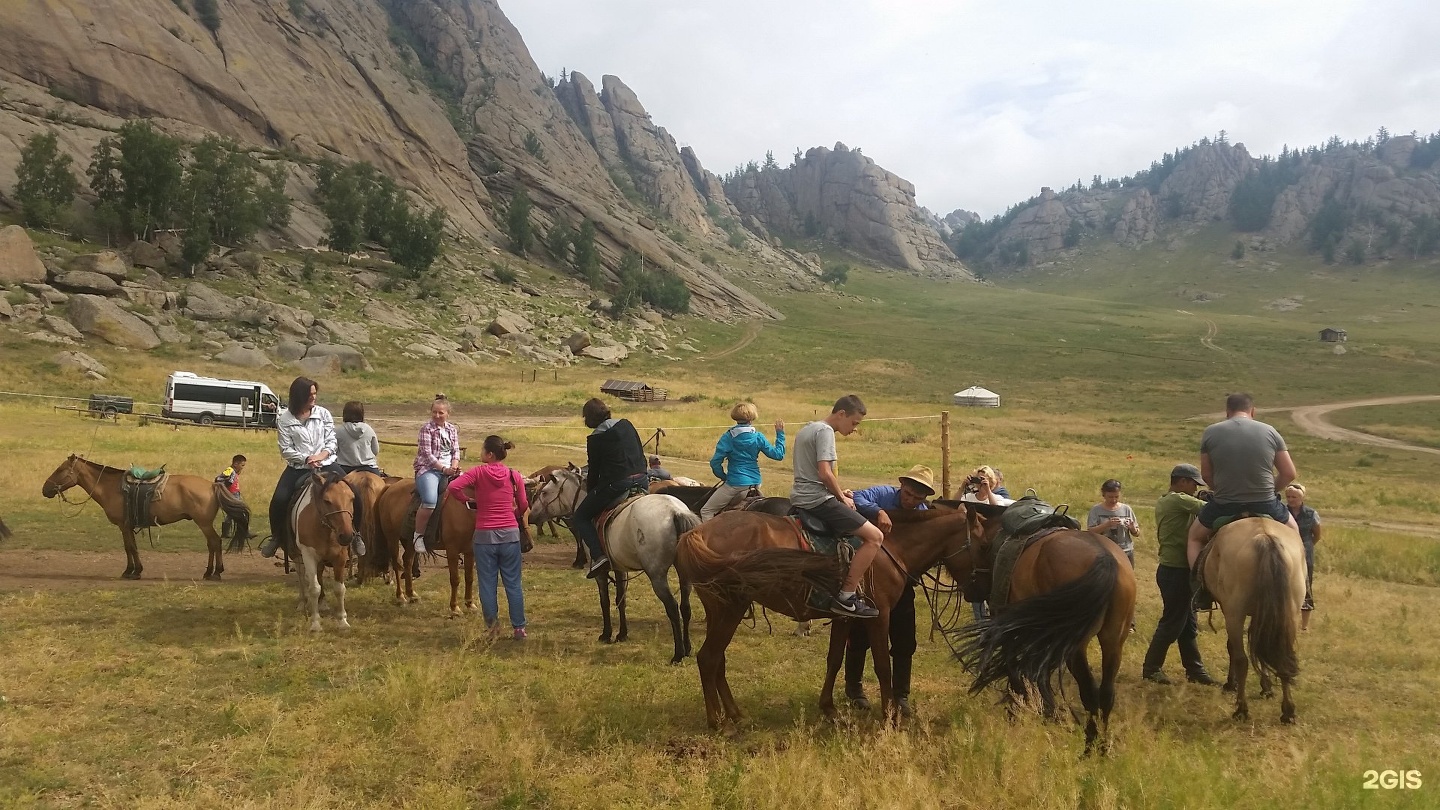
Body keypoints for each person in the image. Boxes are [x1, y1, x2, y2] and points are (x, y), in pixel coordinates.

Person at [844, 465, 935, 714]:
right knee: (860, 633)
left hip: (902, 583)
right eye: (908, 494)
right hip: (871, 579)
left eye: (918, 498)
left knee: (904, 638)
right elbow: (858, 497)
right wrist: (879, 511)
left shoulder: (922, 515)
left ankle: (901, 694)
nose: (911, 501)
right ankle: (854, 688)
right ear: (901, 486)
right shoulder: (884, 494)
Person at [791, 395, 883, 618]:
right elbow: (825, 474)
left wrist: (840, 492)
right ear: (841, 414)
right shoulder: (825, 432)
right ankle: (846, 596)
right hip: (817, 499)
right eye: (854, 423)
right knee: (875, 537)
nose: (854, 429)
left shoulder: (807, 428)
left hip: (801, 495)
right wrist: (842, 498)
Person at [1186, 392, 1299, 571]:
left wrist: (1221, 490)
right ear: (1252, 411)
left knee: (1193, 538)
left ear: (1227, 412)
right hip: (1265, 503)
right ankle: (1305, 592)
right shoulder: (1270, 431)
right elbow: (1289, 473)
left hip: (1225, 503)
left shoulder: (1211, 432)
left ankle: (1198, 586)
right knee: (1295, 534)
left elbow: (1207, 475)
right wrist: (1271, 491)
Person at [1140, 464, 1221, 686]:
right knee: (1173, 622)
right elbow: (1208, 509)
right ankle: (1151, 668)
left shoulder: (1169, 500)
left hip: (1178, 569)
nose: (1195, 488)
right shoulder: (1177, 500)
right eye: (1193, 484)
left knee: (1188, 624)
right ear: (1182, 481)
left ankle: (1194, 670)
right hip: (1175, 570)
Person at [447, 435, 529, 639]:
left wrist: (467, 500)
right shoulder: (513, 475)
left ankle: (492, 627)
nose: (480, 453)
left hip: (485, 536)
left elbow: (453, 487)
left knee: (487, 583)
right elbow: (524, 504)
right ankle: (519, 627)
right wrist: (514, 514)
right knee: (513, 583)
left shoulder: (477, 473)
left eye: (483, 450)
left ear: (490, 454)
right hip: (510, 535)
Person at [261, 377, 337, 558]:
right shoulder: (285, 419)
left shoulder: (323, 414)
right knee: (278, 501)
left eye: (315, 393)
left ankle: (356, 535)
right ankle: (277, 537)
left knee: (354, 492)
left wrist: (320, 456)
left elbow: (332, 441)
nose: (314, 397)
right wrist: (306, 459)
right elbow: (285, 449)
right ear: (299, 396)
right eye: (310, 394)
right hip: (298, 468)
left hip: (327, 464)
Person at [574, 398, 648, 578]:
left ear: (590, 418)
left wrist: (592, 491)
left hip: (617, 484)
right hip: (642, 479)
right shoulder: (627, 424)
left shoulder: (595, 438)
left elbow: (594, 470)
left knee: (580, 517)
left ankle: (599, 556)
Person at [700, 402, 785, 521]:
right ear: (751, 419)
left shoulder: (728, 437)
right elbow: (778, 455)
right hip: (756, 483)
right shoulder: (758, 436)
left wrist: (723, 476)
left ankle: (710, 539)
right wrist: (780, 434)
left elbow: (715, 462)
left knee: (706, 511)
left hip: (735, 484)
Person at [960, 465, 1012, 621]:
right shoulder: (969, 497)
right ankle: (979, 621)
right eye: (978, 477)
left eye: (984, 478)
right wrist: (963, 486)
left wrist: (988, 490)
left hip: (992, 544)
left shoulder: (998, 498)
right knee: (977, 581)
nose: (980, 482)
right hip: (975, 543)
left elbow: (997, 510)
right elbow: (954, 505)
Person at [413, 394, 461, 555]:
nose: (437, 415)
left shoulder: (452, 429)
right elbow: (427, 454)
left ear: (448, 414)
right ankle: (418, 535)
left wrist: (454, 465)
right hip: (429, 470)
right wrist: (444, 469)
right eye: (434, 412)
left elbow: (456, 451)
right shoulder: (426, 429)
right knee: (430, 501)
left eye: (441, 413)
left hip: (450, 469)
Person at [1284, 483, 1323, 630]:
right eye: (1288, 496)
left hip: (1305, 554)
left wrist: (1307, 546)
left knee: (1305, 587)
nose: (1291, 499)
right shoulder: (1281, 511)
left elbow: (1317, 535)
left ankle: (1304, 626)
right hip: (1285, 551)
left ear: (1302, 497)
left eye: (1294, 497)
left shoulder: (1311, 513)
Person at [1087, 479, 1141, 568]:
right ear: (1104, 495)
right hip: (1104, 552)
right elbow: (1091, 531)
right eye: (1110, 497)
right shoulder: (1096, 510)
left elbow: (1137, 533)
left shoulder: (1126, 509)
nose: (1114, 500)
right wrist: (1107, 525)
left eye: (1116, 497)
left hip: (1126, 551)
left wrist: (1132, 528)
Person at [336, 401, 384, 476]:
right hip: (369, 468)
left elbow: (333, 451)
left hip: (345, 470)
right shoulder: (369, 429)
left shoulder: (338, 431)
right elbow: (375, 450)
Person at [215, 454, 251, 542]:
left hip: (235, 494)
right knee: (241, 513)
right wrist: (225, 489)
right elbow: (218, 479)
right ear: (235, 464)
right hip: (232, 495)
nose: (242, 467)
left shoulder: (234, 472)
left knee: (232, 515)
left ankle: (226, 533)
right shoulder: (229, 470)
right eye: (242, 465)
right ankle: (244, 532)